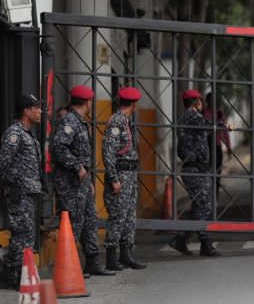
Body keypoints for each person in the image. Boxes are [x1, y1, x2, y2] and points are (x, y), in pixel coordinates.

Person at [52, 85, 114, 276]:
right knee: (75, 221)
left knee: (89, 220)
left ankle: (92, 261)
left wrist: (87, 180)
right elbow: (59, 147)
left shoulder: (78, 121)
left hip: (81, 181)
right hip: (70, 182)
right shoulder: (70, 121)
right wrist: (78, 168)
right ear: (88, 102)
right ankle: (68, 267)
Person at [169, 89, 224, 257]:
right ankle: (201, 242)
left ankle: (184, 239)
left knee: (200, 205)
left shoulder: (186, 118)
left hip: (195, 168)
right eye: (201, 102)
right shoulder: (193, 117)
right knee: (206, 204)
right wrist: (225, 126)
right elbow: (210, 125)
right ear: (197, 102)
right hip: (194, 169)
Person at [0, 95, 43, 290]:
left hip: (29, 191)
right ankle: (12, 273)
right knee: (21, 234)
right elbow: (3, 164)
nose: (40, 111)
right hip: (19, 193)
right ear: (27, 111)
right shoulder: (14, 134)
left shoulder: (28, 134)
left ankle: (13, 272)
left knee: (27, 234)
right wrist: (14, 185)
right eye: (37, 108)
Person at [102, 87, 147, 270]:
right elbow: (108, 153)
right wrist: (113, 179)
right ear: (134, 104)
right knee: (118, 215)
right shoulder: (116, 122)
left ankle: (126, 253)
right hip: (120, 174)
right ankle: (112, 257)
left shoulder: (125, 121)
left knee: (128, 215)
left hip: (130, 174)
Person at [202, 92, 232, 192]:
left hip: (216, 147)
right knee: (205, 174)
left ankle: (215, 198)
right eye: (210, 100)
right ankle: (207, 196)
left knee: (217, 174)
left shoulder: (219, 114)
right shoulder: (202, 113)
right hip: (205, 148)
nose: (211, 102)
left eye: (213, 100)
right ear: (207, 101)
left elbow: (225, 131)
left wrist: (228, 147)